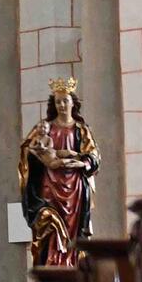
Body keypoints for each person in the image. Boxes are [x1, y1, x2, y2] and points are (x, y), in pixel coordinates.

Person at [18, 76, 98, 268]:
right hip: (49, 186)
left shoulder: (81, 129)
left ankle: (72, 266)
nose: (62, 105)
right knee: (50, 224)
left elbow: (93, 155)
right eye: (58, 102)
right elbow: (27, 151)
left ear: (73, 102)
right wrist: (36, 155)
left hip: (75, 190)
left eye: (65, 101)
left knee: (73, 229)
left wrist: (83, 163)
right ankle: (51, 265)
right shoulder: (44, 128)